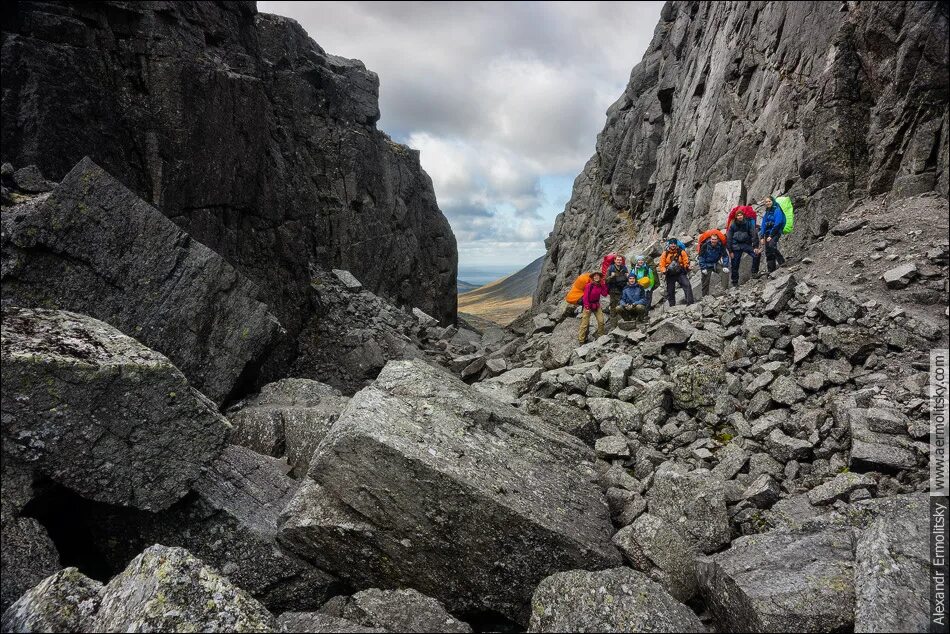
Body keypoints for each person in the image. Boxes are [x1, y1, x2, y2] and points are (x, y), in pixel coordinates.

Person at [727, 206, 760, 287]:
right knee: (735, 264)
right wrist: (730, 251)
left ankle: (754, 273)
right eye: (738, 215)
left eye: (741, 215)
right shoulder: (733, 225)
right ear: (736, 217)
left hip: (745, 244)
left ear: (743, 215)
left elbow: (753, 234)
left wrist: (755, 246)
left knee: (757, 254)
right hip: (735, 246)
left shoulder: (748, 223)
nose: (739, 216)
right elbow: (729, 238)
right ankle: (735, 282)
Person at [658, 238, 694, 306]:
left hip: (680, 272)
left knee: (687, 285)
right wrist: (664, 270)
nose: (673, 245)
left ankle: (690, 303)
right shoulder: (665, 253)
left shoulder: (681, 252)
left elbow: (685, 261)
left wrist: (687, 267)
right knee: (670, 290)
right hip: (670, 274)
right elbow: (661, 264)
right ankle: (672, 306)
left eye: (674, 244)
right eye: (671, 244)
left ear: (676, 244)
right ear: (669, 244)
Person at [578, 271, 608, 343]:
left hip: (596, 305)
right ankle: (581, 340)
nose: (596, 277)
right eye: (595, 276)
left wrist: (603, 285)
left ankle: (600, 336)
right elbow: (585, 297)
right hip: (588, 305)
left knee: (601, 321)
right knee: (584, 324)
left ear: (600, 277)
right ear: (592, 278)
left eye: (598, 276)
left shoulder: (600, 285)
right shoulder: (589, 285)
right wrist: (587, 307)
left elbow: (604, 294)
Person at [698, 231, 730, 297]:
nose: (714, 241)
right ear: (710, 239)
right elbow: (701, 257)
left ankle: (724, 291)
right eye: (712, 239)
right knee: (705, 281)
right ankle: (705, 297)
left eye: (715, 239)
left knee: (725, 273)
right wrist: (703, 268)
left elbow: (725, 255)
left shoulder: (720, 245)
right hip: (706, 265)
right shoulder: (705, 245)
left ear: (717, 240)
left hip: (715, 263)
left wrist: (725, 266)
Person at [760, 196, 787, 272]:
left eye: (769, 201)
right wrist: (762, 236)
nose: (768, 203)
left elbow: (778, 223)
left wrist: (771, 235)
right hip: (767, 233)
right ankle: (771, 270)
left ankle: (782, 262)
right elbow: (763, 224)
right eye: (766, 202)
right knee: (768, 251)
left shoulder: (777, 210)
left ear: (772, 201)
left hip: (776, 232)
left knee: (772, 245)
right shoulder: (767, 211)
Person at [605, 254, 629, 329]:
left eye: (620, 260)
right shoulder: (610, 268)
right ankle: (613, 326)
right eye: (617, 260)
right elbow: (606, 280)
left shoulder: (624, 268)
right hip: (613, 291)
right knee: (613, 308)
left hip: (623, 290)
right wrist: (611, 276)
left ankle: (623, 323)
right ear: (614, 260)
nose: (619, 261)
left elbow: (629, 279)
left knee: (623, 306)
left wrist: (628, 276)